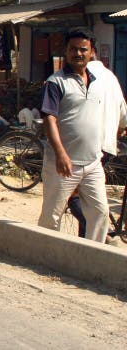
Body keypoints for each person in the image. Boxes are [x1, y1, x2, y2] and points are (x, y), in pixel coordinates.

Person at [37, 28, 117, 242]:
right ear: (66, 51)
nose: (78, 54)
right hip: (62, 163)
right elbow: (49, 119)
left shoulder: (98, 83)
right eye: (73, 49)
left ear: (92, 53)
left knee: (100, 214)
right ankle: (46, 258)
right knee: (52, 217)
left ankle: (93, 258)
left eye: (83, 49)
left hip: (92, 163)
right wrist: (61, 153)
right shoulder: (56, 83)